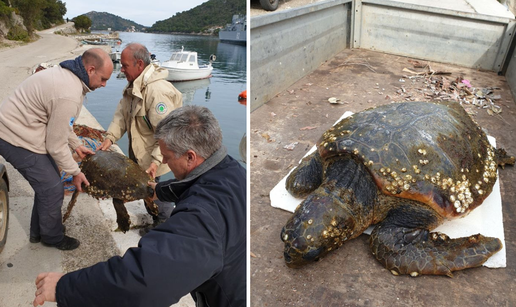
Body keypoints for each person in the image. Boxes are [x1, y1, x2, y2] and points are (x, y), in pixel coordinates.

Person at [33, 105, 247, 307]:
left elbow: (144, 281)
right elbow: (198, 185)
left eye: (167, 156)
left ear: (190, 156)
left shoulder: (202, 221)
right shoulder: (233, 171)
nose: (162, 159)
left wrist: (65, 288)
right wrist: (159, 190)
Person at [0, 48, 114, 250]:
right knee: (53, 188)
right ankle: (51, 237)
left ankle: (37, 232)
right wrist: (76, 172)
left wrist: (77, 145)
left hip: (27, 130)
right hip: (12, 135)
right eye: (103, 79)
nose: (104, 85)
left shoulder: (69, 77)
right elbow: (55, 145)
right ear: (90, 69)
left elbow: (62, 125)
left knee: (48, 182)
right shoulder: (68, 94)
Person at [99, 42, 183, 234]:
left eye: (125, 65)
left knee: (156, 192)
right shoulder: (133, 87)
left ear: (139, 64)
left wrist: (155, 161)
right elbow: (121, 116)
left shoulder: (156, 92)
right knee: (147, 192)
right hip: (140, 155)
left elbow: (168, 133)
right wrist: (110, 138)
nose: (122, 69)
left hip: (157, 155)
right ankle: (157, 223)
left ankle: (164, 228)